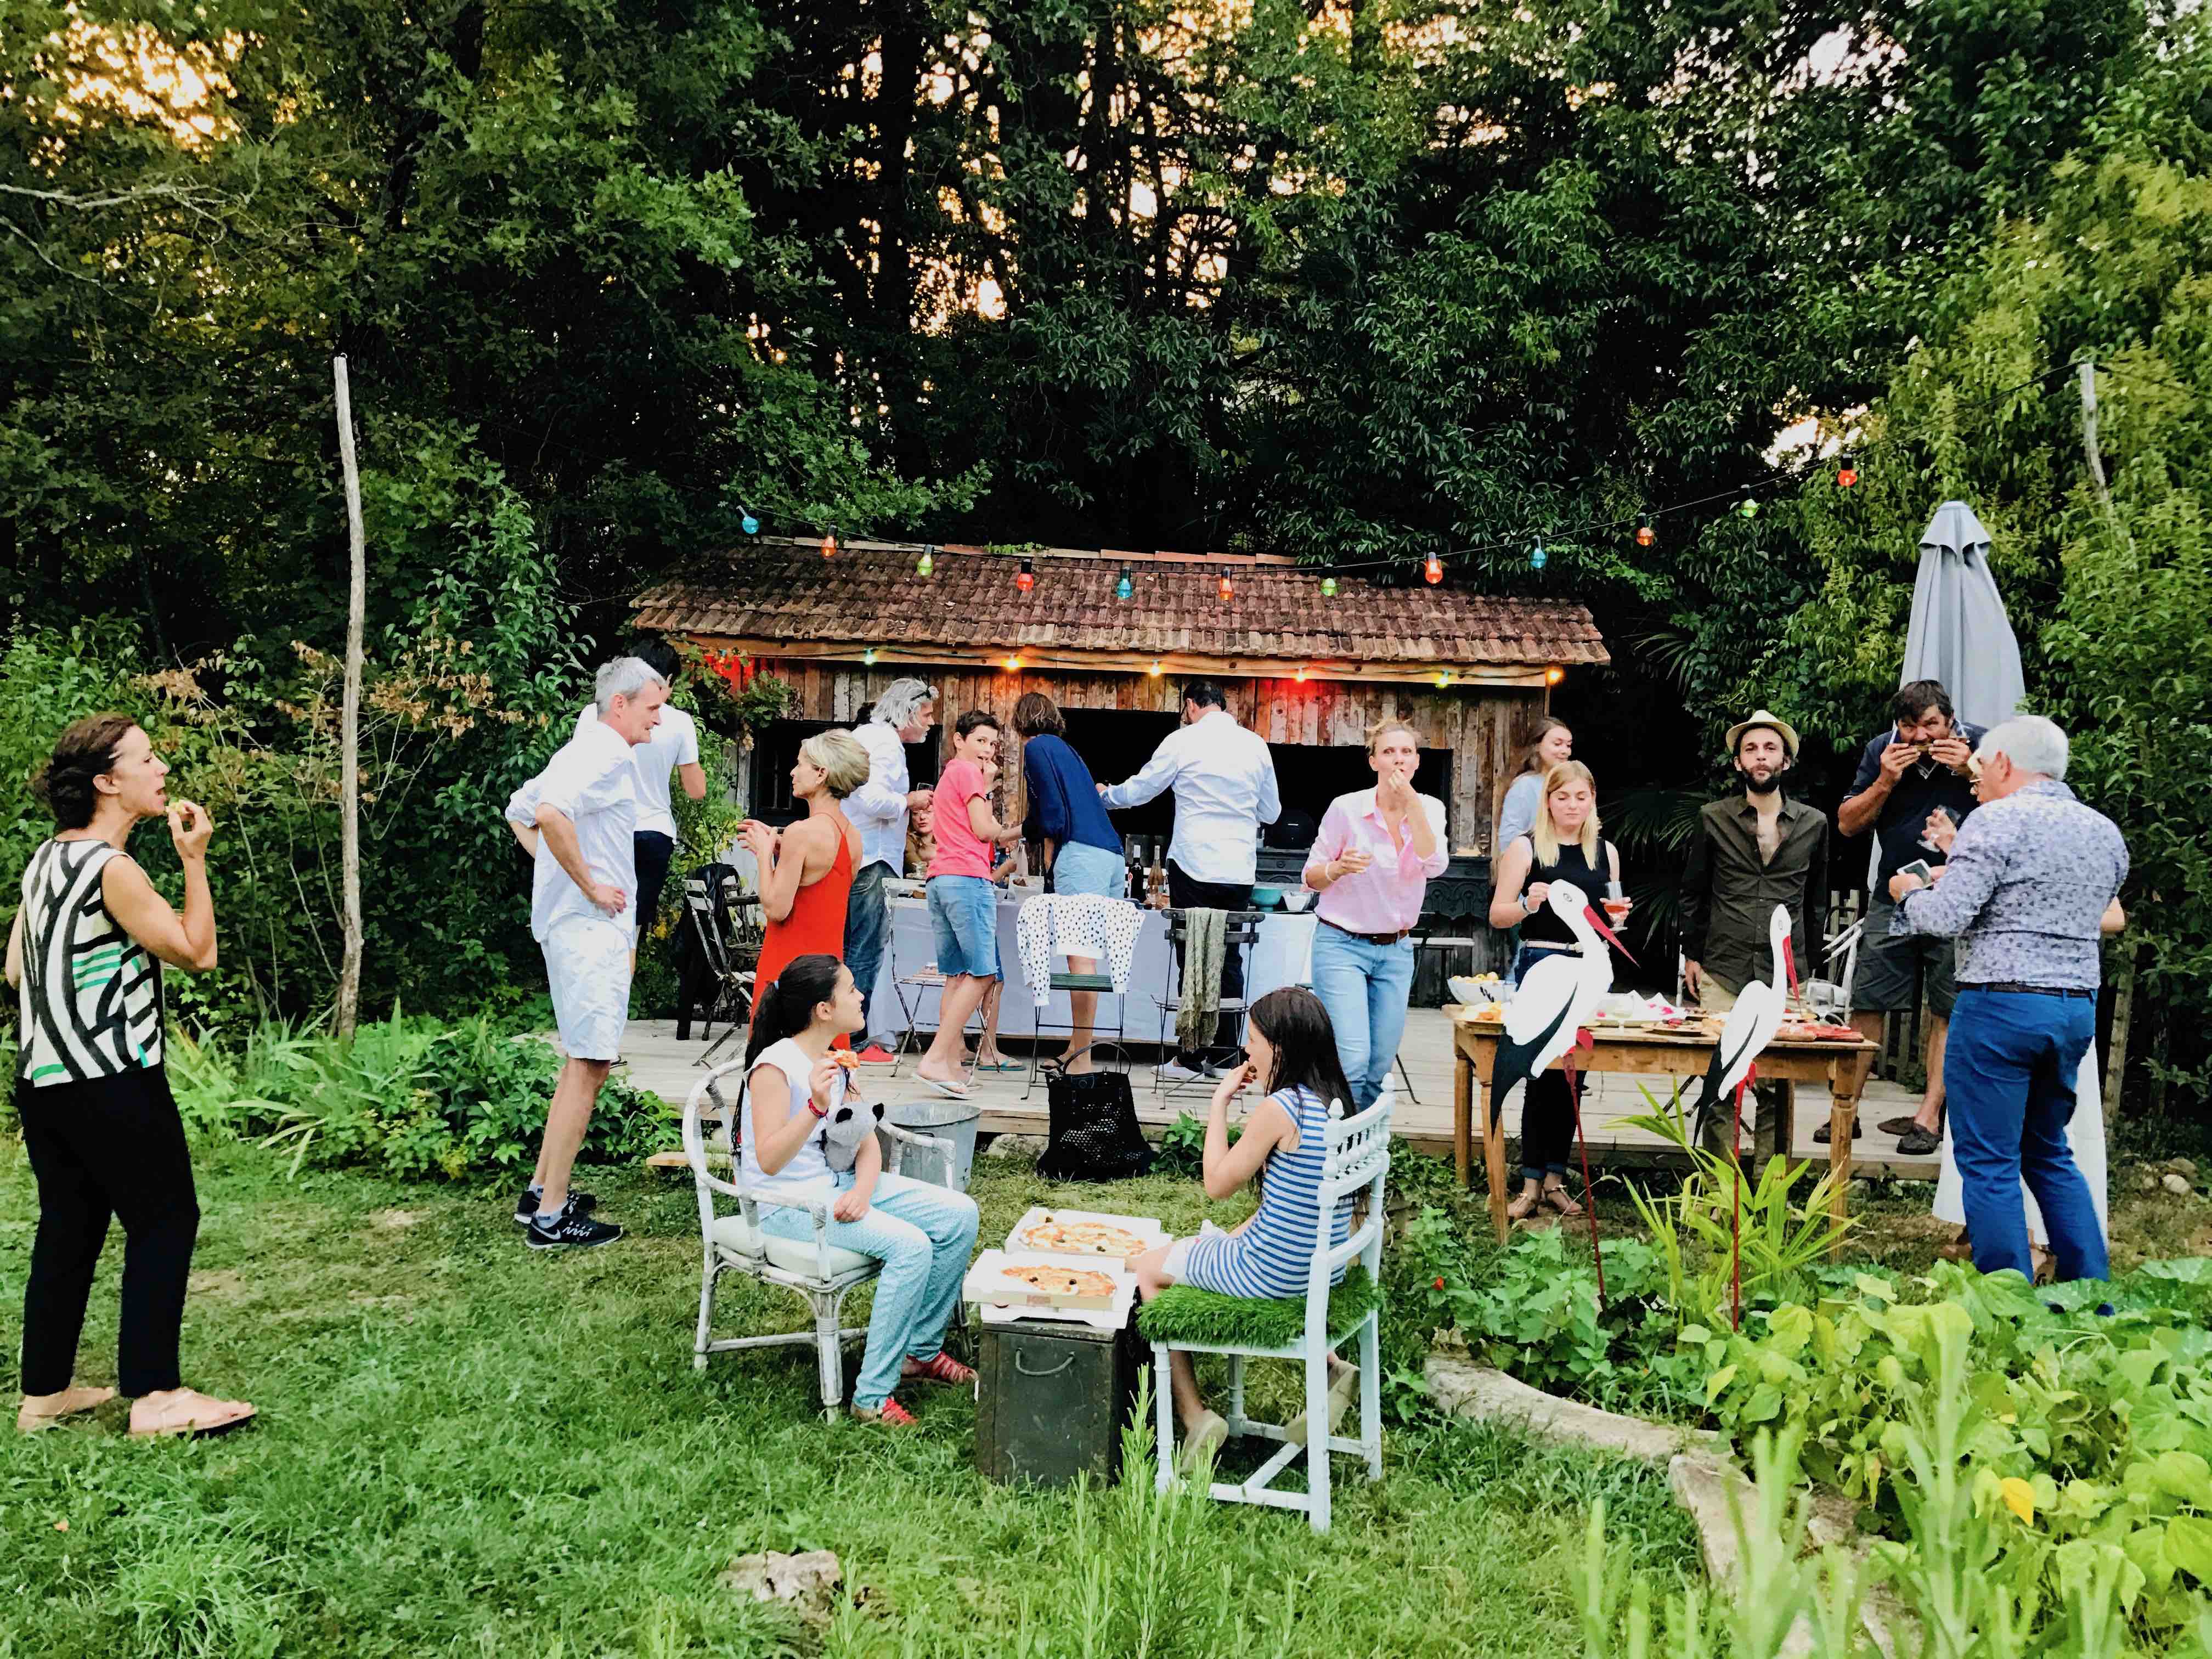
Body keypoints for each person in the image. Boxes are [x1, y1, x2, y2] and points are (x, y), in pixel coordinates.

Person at [5, 715, 253, 1437]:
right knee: (166, 1218)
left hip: (44, 1079)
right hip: (112, 1078)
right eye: (147, 760)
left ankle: (43, 1395)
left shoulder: (47, 860)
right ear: (109, 782)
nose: (162, 768)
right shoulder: (113, 868)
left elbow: (16, 969)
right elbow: (196, 952)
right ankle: (156, 1396)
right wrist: (195, 860)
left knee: (70, 1227)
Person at [1886, 716, 2123, 1285]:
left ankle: (2008, 1298)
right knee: (2048, 1151)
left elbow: (1945, 919)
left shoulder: (1994, 822)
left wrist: (1910, 893)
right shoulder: (2103, 831)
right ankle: (2093, 1295)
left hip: (2000, 1006)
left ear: (2003, 763)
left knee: (1989, 1162)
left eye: (1980, 767)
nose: (1977, 779)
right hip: (2073, 1006)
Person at [740, 955, 979, 1425]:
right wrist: (813, 1105)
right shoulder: (775, 1067)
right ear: (823, 1009)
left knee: (959, 1214)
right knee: (910, 1247)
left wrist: (864, 1193)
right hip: (782, 1204)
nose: (861, 995)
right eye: (851, 990)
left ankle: (920, 1351)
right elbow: (767, 1161)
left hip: (838, 1184)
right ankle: (871, 1396)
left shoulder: (836, 1059)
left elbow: (866, 1142)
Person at [1128, 988, 1360, 1469]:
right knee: (1205, 1240)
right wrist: (1228, 1238)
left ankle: (1195, 1416)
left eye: (1253, 1040)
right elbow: (1293, 1202)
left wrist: (1218, 1104)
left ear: (1280, 1047)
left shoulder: (1281, 1109)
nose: (1247, 1052)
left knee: (1146, 1268)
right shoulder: (1334, 1101)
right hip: (1316, 1271)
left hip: (1271, 1277)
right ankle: (1333, 1366)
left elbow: (1216, 1183)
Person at [503, 655, 667, 1248]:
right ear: (619, 704)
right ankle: (551, 1217)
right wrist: (589, 884)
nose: (658, 719)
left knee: (580, 1060)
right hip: (590, 930)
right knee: (592, 1063)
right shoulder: (606, 751)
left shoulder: (579, 748)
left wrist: (558, 869)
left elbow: (521, 811)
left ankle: (538, 1194)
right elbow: (546, 815)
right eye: (652, 707)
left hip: (571, 926)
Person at [1098, 681, 1281, 1080]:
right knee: (1229, 957)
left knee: (1193, 954)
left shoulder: (1183, 740)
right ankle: (1227, 1058)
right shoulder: (1256, 745)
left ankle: (1191, 1056)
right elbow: (1271, 812)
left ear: (1192, 705)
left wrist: (1105, 796)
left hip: (1195, 864)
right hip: (1237, 869)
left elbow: (1143, 790)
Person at [1830, 680, 1985, 1146]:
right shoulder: (1883, 750)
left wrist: (1970, 771)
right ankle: (1846, 1111)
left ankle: (1928, 1118)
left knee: (1947, 1006)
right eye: (1909, 726)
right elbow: (1847, 824)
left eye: (1931, 725)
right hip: (1893, 893)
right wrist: (1884, 781)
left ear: (1950, 721)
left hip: (1959, 896)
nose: (1920, 737)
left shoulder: (1981, 744)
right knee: (1868, 1000)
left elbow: (2013, 813)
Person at [1679, 710, 1830, 1144]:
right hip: (1724, 965)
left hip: (1785, 973)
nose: (1760, 757)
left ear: (1786, 761)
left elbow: (1816, 900)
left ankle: (1770, 1189)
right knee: (1722, 1078)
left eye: (1770, 749)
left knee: (1777, 1082)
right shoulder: (1713, 818)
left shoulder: (1814, 824)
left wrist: (1809, 965)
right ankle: (1718, 1190)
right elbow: (1694, 891)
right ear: (1738, 763)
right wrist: (1693, 954)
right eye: (1751, 749)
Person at [1486, 761, 1622, 1220]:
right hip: (1541, 961)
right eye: (1562, 797)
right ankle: (1528, 1184)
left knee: (1573, 1074)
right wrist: (1527, 904)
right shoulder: (1526, 849)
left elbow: (1610, 916)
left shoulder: (1606, 852)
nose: (1572, 806)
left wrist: (1617, 920)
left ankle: (1556, 1180)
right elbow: (1498, 914)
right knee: (1539, 1072)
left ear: (1592, 801)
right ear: (1548, 801)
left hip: (1587, 964)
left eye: (1580, 797)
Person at [1303, 720, 1446, 1108]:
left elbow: (1434, 865)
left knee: (1379, 1065)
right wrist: (1338, 869)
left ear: (1417, 762)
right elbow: (1311, 876)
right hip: (1342, 945)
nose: (1398, 759)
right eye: (1388, 752)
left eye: (1406, 752)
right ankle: (1331, 1147)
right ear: (1373, 762)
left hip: (1396, 950)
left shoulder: (1430, 808)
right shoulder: (1346, 809)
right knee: (1352, 1058)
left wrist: (1413, 805)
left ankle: (1359, 1149)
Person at [568, 640, 704, 968]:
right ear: (668, 682)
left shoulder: (596, 713)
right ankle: (620, 1008)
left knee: (595, 918)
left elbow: (577, 770)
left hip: (603, 829)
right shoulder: (680, 722)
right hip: (653, 832)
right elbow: (696, 790)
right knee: (630, 927)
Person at [1014, 691, 1126, 1075]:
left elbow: (1052, 813)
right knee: (1089, 958)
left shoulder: (1037, 749)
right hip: (1111, 854)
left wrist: (1042, 846)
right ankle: (1077, 1049)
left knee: (1080, 959)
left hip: (1081, 854)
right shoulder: (1069, 752)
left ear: (1020, 722)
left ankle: (1083, 1059)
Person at [738, 730, 871, 1049]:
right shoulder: (853, 836)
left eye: (800, 765)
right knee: (825, 1072)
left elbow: (776, 908)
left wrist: (763, 854)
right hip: (828, 972)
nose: (792, 772)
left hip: (789, 966)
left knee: (775, 1064)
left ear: (822, 773)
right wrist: (783, 850)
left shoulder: (803, 832)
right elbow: (821, 889)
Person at [915, 710, 1023, 1094]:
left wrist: (988, 786)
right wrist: (1026, 827)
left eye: (993, 744)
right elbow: (984, 830)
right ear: (959, 740)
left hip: (942, 878)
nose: (987, 749)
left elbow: (967, 824)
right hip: (967, 879)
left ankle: (951, 1063)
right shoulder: (966, 773)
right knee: (984, 973)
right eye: (980, 740)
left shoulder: (950, 776)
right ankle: (934, 1058)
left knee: (957, 975)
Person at [844, 679, 939, 1063]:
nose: (931, 723)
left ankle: (847, 1036)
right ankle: (855, 1040)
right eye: (928, 714)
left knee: (856, 945)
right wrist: (910, 799)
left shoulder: (869, 736)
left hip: (863, 853)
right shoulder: (884, 743)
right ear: (907, 711)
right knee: (865, 948)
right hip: (874, 858)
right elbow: (869, 798)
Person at [1496, 716, 1573, 853]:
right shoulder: (1525, 785)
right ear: (1537, 746)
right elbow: (1508, 837)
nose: (1565, 751)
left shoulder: (1572, 784)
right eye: (1557, 744)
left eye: (1568, 745)